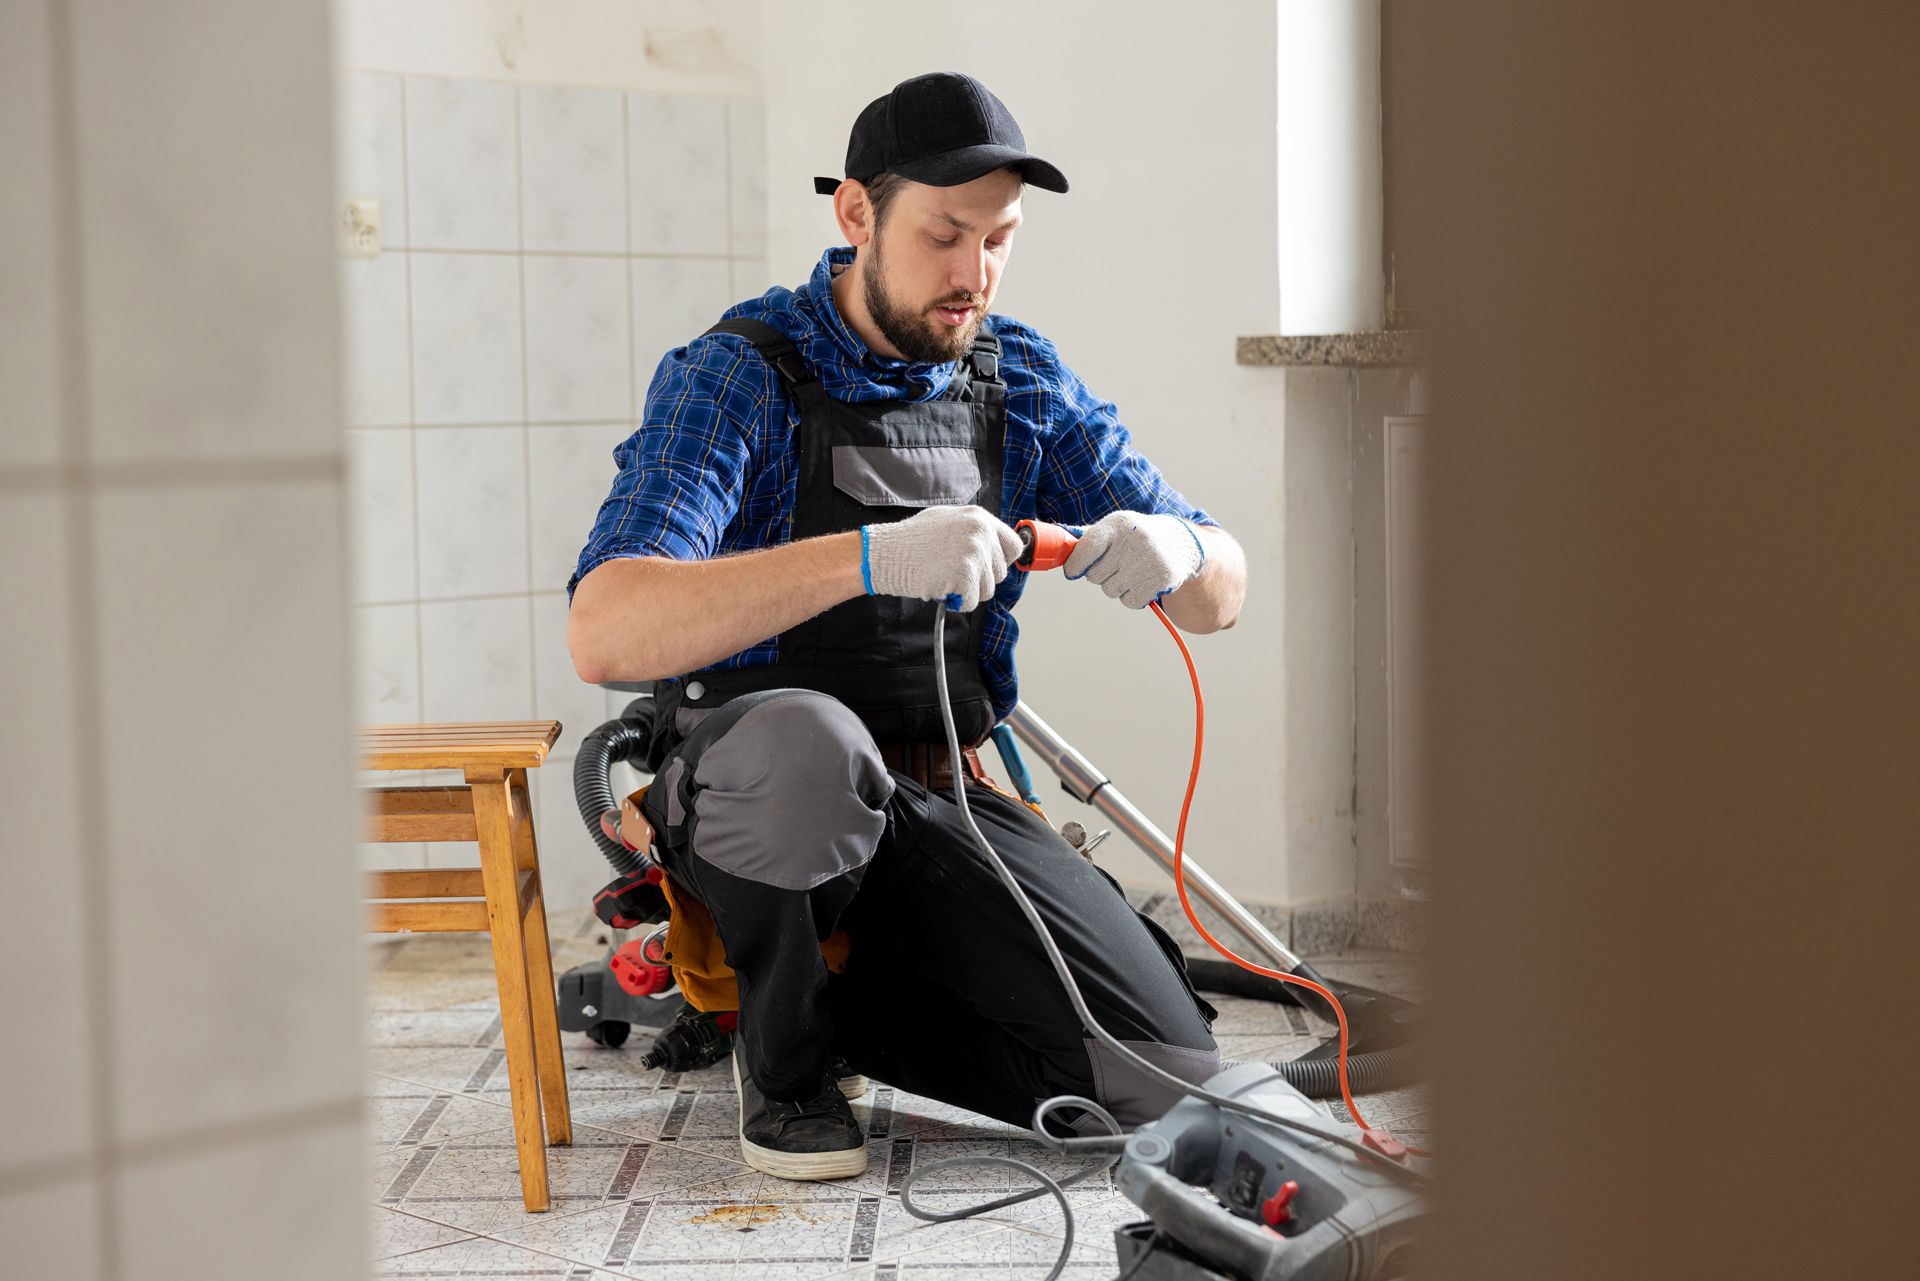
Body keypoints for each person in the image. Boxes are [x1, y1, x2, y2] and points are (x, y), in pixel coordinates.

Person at [567, 72, 1246, 1182]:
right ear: (855, 215)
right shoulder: (739, 377)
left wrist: (1184, 553)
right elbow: (606, 627)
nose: (973, 273)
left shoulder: (1016, 376)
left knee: (1168, 1083)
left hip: (940, 797)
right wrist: (871, 555)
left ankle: (843, 1017)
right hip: (761, 792)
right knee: (805, 748)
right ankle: (784, 1074)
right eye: (943, 235)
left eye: (1001, 238)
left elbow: (1222, 598)